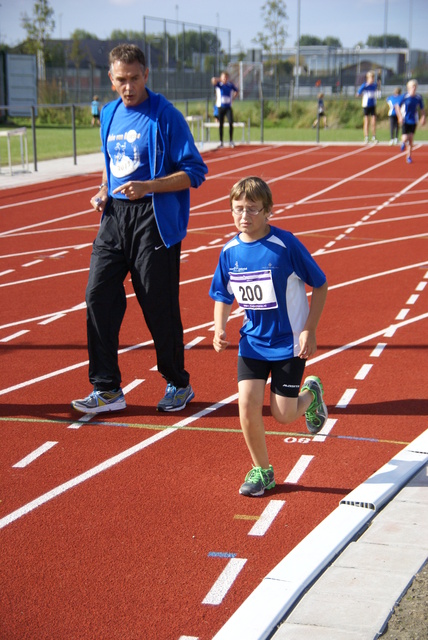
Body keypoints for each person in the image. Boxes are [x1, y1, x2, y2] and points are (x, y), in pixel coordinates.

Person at [71, 44, 208, 415]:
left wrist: (149, 186)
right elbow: (109, 162)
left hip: (154, 221)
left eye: (134, 78)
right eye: (120, 80)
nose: (127, 86)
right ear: (111, 79)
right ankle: (107, 388)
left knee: (158, 307)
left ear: (146, 75)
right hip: (115, 217)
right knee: (97, 295)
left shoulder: (165, 116)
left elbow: (195, 172)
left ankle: (178, 382)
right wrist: (103, 189)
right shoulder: (109, 113)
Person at [209, 177, 328, 497]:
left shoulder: (285, 245)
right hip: (252, 341)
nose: (243, 216)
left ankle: (311, 396)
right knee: (246, 406)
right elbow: (222, 294)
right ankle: (263, 471)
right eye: (237, 209)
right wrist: (219, 326)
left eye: (251, 209)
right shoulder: (229, 251)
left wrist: (309, 329)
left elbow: (320, 284)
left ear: (268, 211)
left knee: (283, 414)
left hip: (288, 343)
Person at [395, 79, 425, 164]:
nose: (414, 88)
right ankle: (403, 143)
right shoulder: (405, 96)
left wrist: (423, 117)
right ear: (409, 88)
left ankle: (408, 156)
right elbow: (397, 106)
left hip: (413, 120)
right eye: (412, 86)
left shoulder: (418, 97)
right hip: (405, 119)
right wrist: (400, 117)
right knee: (405, 138)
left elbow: (422, 109)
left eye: (415, 86)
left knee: (411, 139)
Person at [211, 71, 239, 148]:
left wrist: (233, 98)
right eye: (223, 77)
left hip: (228, 107)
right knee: (221, 124)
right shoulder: (219, 85)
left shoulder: (230, 85)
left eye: (226, 77)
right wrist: (219, 79)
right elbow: (213, 80)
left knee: (231, 122)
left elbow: (237, 90)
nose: (225, 79)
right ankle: (221, 142)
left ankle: (231, 141)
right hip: (220, 107)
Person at [356, 71, 378, 144]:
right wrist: (364, 95)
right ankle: (366, 137)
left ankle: (374, 137)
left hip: (373, 105)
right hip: (366, 105)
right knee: (366, 121)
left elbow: (376, 92)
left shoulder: (374, 85)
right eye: (371, 77)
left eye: (373, 77)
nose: (372, 79)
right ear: (368, 78)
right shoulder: (364, 85)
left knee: (374, 121)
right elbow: (358, 94)